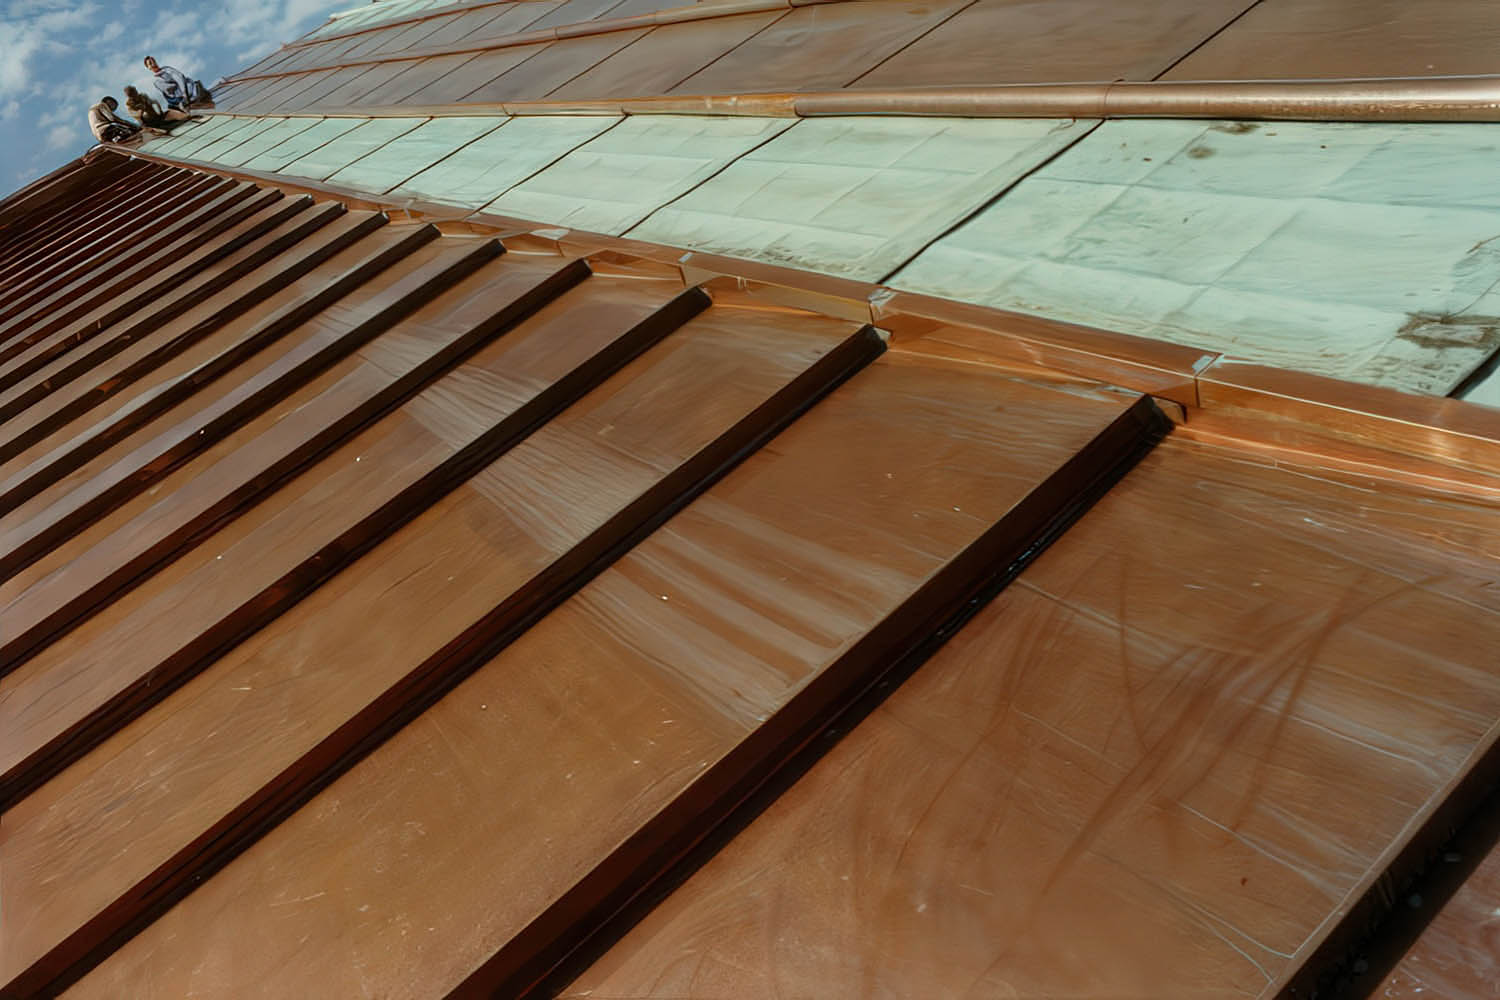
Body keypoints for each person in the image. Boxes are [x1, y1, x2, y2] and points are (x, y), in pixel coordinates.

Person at [143, 56, 212, 110]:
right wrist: (175, 84)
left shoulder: (166, 69)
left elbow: (179, 76)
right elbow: (170, 89)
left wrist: (183, 90)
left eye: (154, 61)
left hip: (185, 88)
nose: (153, 64)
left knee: (194, 88)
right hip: (176, 96)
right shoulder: (155, 80)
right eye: (150, 63)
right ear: (148, 67)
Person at [123, 85, 189, 130]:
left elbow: (154, 102)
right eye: (132, 95)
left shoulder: (143, 96)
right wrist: (141, 110)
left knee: (174, 112)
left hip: (157, 117)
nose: (135, 95)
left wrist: (160, 111)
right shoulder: (129, 104)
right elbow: (137, 115)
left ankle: (188, 116)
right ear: (129, 96)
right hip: (148, 124)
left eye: (135, 92)